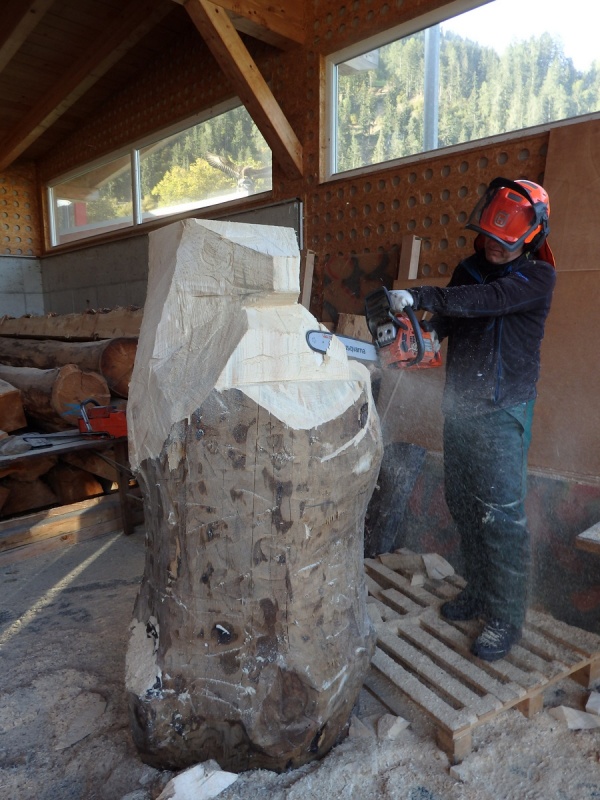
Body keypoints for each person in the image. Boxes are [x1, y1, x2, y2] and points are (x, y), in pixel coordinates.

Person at [389, 177, 556, 661]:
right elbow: (449, 319)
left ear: (530, 237)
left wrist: (422, 295)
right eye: (488, 237)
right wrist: (417, 334)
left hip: (503, 412)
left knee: (501, 518)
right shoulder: (468, 269)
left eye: (505, 241)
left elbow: (490, 302)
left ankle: (506, 616)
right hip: (459, 407)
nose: (494, 247)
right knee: (463, 505)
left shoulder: (536, 278)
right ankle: (480, 591)